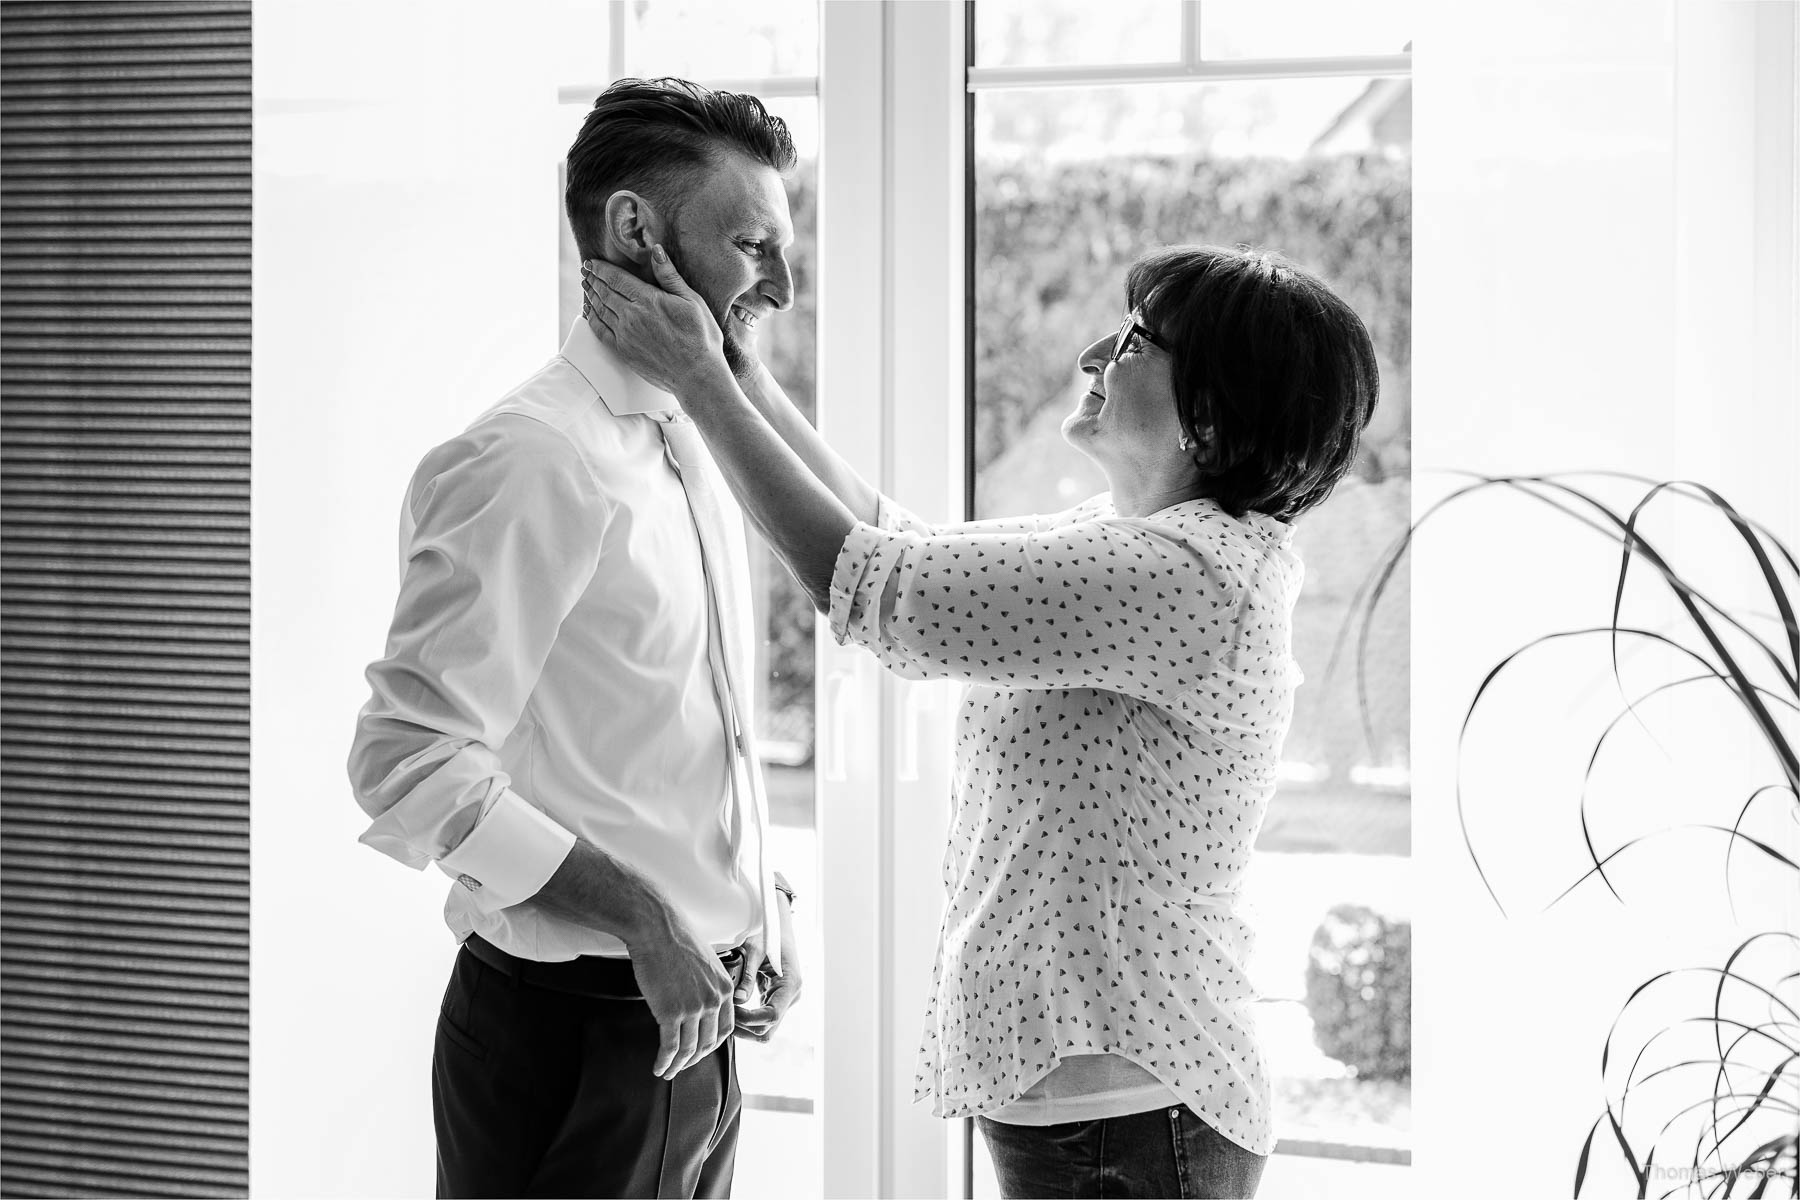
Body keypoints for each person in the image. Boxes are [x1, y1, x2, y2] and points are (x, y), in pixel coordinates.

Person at [580, 241, 1380, 1199]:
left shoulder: (1193, 576)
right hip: (1107, 1108)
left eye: (1133, 341)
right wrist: (740, 369)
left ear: (1207, 416)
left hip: (1128, 1114)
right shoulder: (1132, 540)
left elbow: (885, 591)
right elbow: (905, 544)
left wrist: (701, 383)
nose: (1092, 354)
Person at [347, 78, 806, 1199]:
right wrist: (649, 917)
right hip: (578, 1033)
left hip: (691, 1010)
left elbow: (670, 727)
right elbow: (408, 762)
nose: (783, 290)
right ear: (636, 230)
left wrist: (752, 903)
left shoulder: (690, 436)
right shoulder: (527, 459)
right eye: (754, 245)